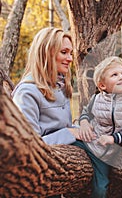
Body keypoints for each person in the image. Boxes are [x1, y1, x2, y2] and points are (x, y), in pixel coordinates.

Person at [11, 27, 107, 198]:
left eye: (70, 53)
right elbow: (27, 147)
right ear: (46, 53)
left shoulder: (60, 87)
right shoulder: (26, 93)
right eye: (64, 52)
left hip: (60, 163)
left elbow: (62, 126)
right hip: (37, 175)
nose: (70, 58)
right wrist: (70, 132)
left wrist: (81, 128)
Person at [77, 56, 122, 184]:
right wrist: (84, 122)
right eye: (114, 75)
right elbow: (86, 112)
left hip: (110, 152)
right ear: (102, 85)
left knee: (101, 187)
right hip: (90, 144)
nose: (121, 77)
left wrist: (115, 138)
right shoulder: (96, 99)